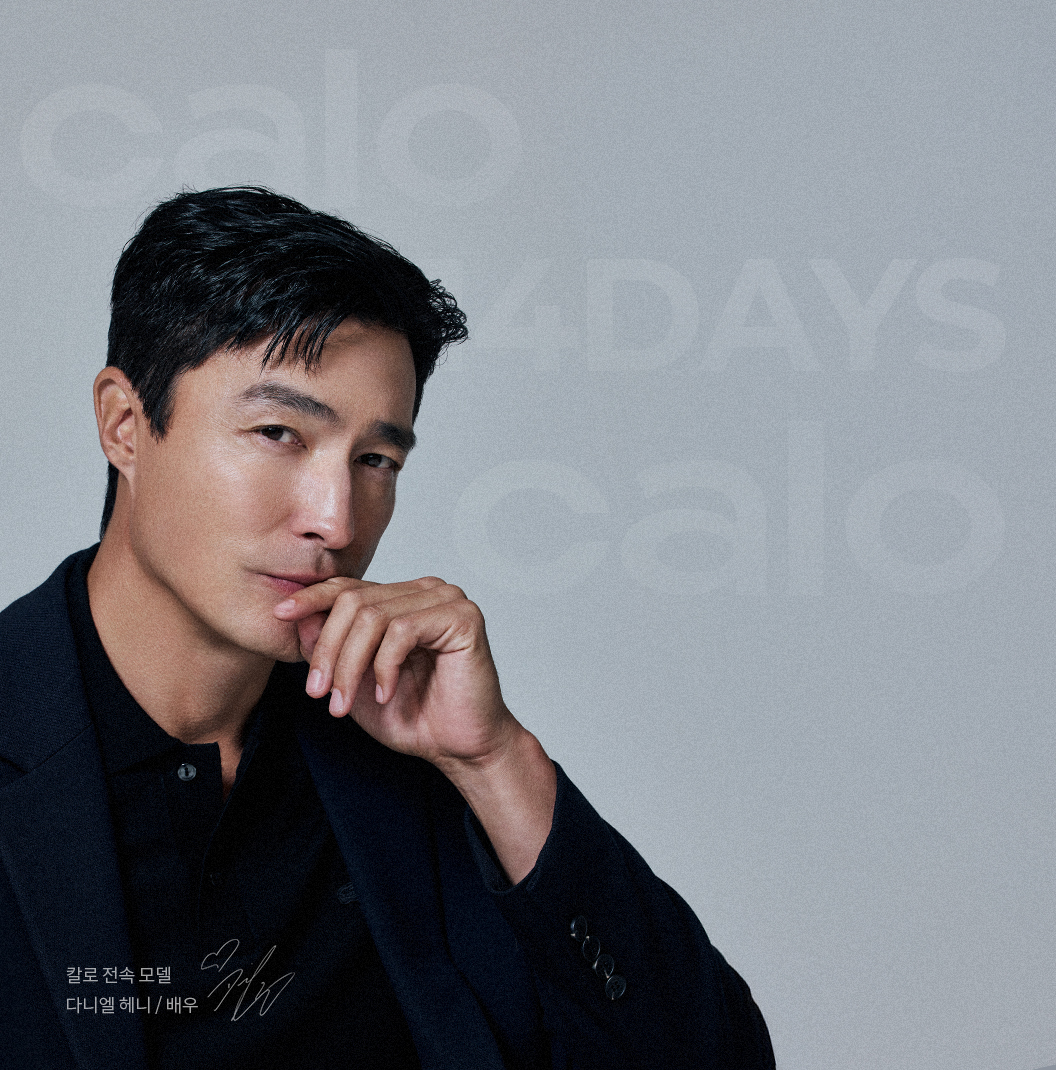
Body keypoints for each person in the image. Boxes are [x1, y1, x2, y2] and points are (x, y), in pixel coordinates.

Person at [0, 187, 775, 1070]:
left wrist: (495, 761)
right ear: (125, 426)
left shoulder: (403, 753)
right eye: (279, 432)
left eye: (375, 459)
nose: (336, 520)